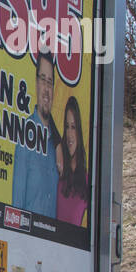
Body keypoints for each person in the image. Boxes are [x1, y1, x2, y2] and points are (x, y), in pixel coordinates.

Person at [11, 51, 59, 218]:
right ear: (36, 83)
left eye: (50, 82)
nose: (46, 89)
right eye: (42, 80)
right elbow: (16, 206)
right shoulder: (25, 134)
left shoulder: (58, 146)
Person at [56, 96, 89, 226]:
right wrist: (58, 147)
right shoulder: (58, 171)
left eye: (73, 127)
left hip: (73, 245)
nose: (69, 134)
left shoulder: (87, 181)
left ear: (79, 131)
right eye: (67, 126)